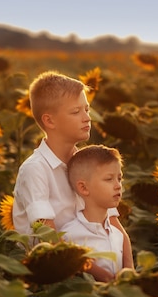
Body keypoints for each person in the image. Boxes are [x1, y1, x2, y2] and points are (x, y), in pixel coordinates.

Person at [12, 71, 132, 268]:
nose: (87, 118)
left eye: (87, 109)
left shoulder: (89, 163)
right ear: (50, 121)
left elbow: (115, 227)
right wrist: (104, 277)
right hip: (57, 275)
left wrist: (129, 273)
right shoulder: (36, 170)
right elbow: (49, 239)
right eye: (76, 112)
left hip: (105, 269)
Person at [60, 145, 133, 281]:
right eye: (109, 179)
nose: (118, 185)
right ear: (83, 187)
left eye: (119, 178)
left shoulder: (117, 235)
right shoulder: (69, 237)